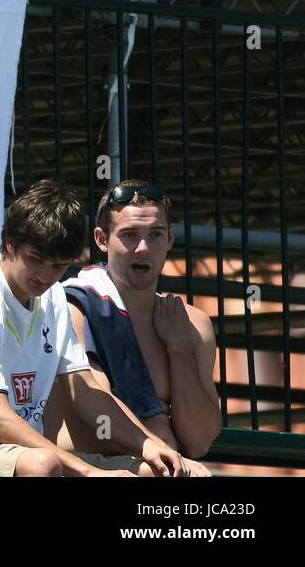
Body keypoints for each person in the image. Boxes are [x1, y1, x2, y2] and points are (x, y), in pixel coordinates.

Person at [0, 178, 193, 477]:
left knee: (157, 473)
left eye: (59, 265)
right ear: (10, 242)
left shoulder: (54, 299)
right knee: (42, 465)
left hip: (22, 457)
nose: (45, 275)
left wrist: (148, 445)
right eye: (36, 259)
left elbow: (86, 394)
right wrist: (89, 474)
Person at [47, 180, 221, 475]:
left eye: (155, 235)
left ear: (170, 240)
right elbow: (95, 405)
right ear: (102, 240)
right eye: (129, 235)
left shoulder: (192, 325)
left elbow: (200, 441)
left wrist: (179, 349)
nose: (142, 249)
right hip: (81, 465)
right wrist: (161, 449)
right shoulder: (75, 307)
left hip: (160, 466)